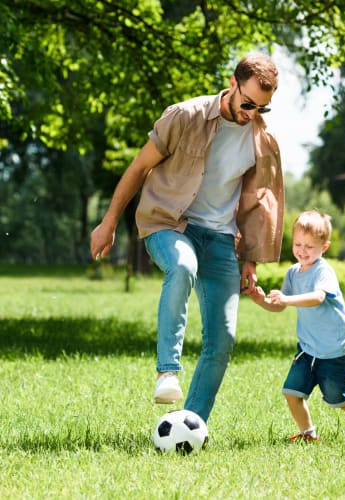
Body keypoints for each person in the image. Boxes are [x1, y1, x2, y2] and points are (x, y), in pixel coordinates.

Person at [90, 53, 284, 423]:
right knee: (182, 266)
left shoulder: (264, 139)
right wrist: (109, 221)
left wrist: (251, 259)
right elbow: (139, 166)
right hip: (169, 222)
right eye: (247, 103)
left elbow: (259, 202)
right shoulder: (185, 116)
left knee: (223, 340)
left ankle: (190, 426)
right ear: (232, 83)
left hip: (221, 239)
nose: (251, 114)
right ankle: (167, 371)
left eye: (262, 108)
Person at [249, 210, 345, 440]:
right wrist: (262, 301)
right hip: (308, 348)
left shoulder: (323, 271)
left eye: (310, 246)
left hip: (334, 350)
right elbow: (279, 306)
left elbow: (318, 297)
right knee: (291, 392)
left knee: (335, 398)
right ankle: (308, 434)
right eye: (298, 244)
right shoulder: (293, 273)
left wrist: (287, 299)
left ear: (324, 247)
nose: (302, 250)